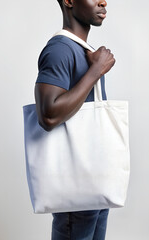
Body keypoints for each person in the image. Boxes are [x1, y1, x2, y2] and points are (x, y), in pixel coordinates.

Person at [34, 0, 115, 239]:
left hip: (96, 184)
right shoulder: (60, 49)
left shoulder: (83, 50)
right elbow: (48, 115)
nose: (103, 2)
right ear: (68, 1)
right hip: (76, 187)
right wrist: (95, 71)